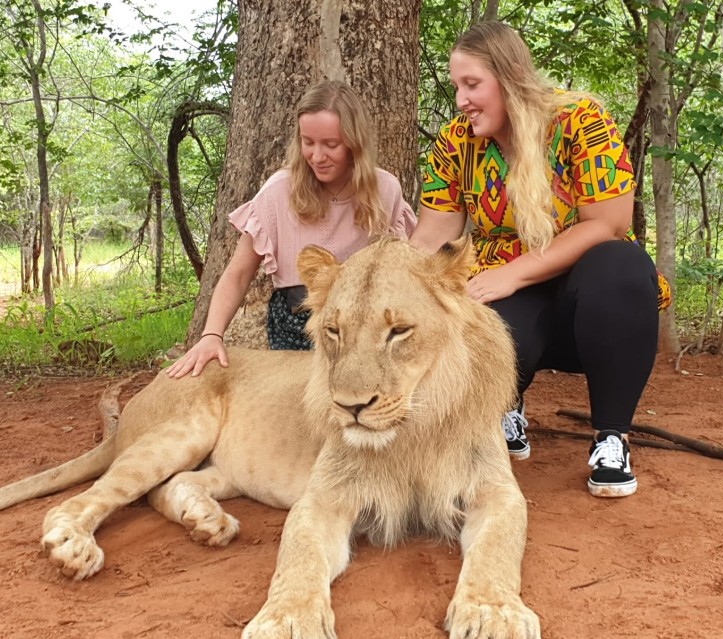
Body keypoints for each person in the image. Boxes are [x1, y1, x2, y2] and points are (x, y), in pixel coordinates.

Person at [410, 21, 671, 498]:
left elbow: (608, 223)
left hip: (587, 297)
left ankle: (612, 437)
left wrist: (512, 273)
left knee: (622, 265)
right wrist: (385, 280)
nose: (461, 100)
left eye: (472, 85)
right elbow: (431, 235)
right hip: (512, 295)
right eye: (456, 87)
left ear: (509, 78)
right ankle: (503, 406)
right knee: (474, 307)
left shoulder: (580, 118)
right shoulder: (454, 141)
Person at [167, 80, 416, 378]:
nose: (317, 156)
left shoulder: (385, 190)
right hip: (295, 325)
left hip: (365, 328)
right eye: (307, 142)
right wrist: (211, 335)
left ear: (354, 142)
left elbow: (406, 271)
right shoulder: (278, 192)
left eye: (331, 144)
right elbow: (238, 273)